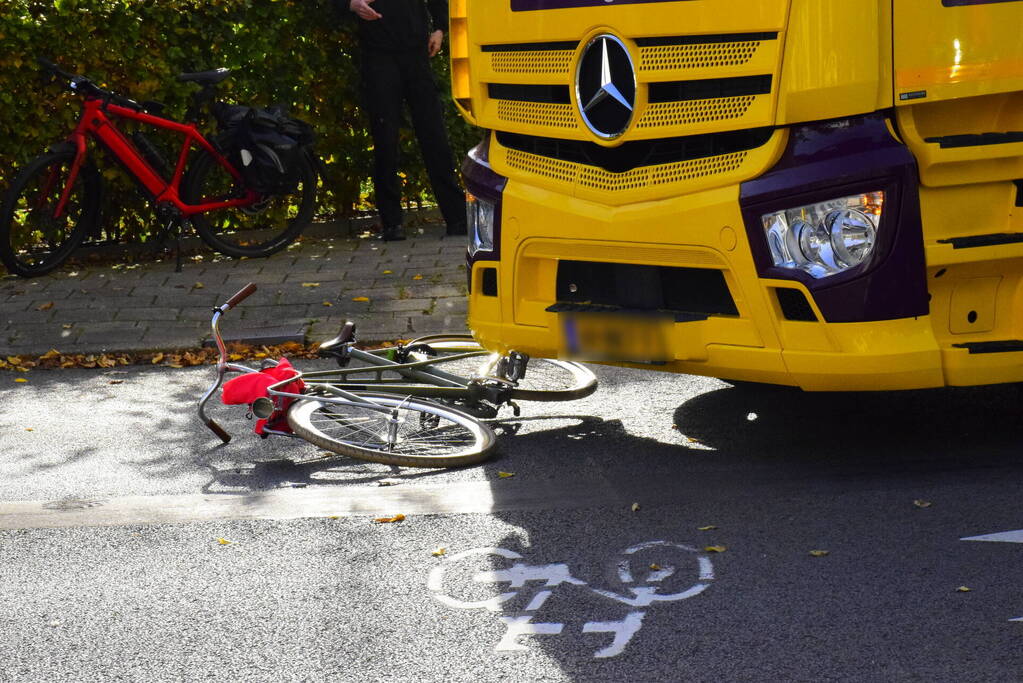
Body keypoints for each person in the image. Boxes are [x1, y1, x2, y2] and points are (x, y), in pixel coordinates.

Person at [343, 0, 468, 242]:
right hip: (378, 54)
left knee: (434, 135)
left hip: (416, 52)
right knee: (385, 139)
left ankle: (457, 218)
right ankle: (391, 223)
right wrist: (351, 5)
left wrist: (440, 29)